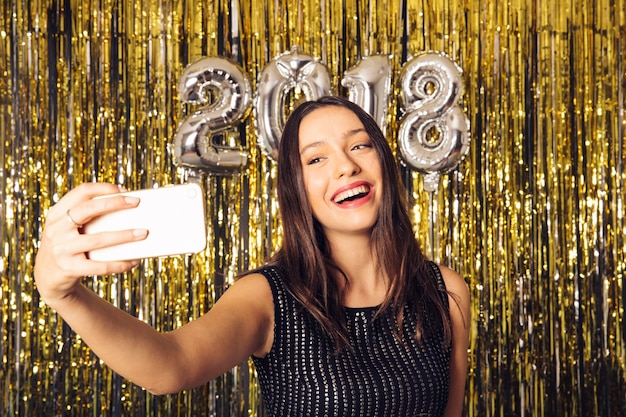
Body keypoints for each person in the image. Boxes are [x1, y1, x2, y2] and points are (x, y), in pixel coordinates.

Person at [34, 95, 470, 416]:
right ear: (296, 190)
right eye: (316, 158)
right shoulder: (267, 297)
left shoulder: (445, 291)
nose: (345, 166)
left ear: (383, 164)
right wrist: (66, 297)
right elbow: (172, 366)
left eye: (359, 146)